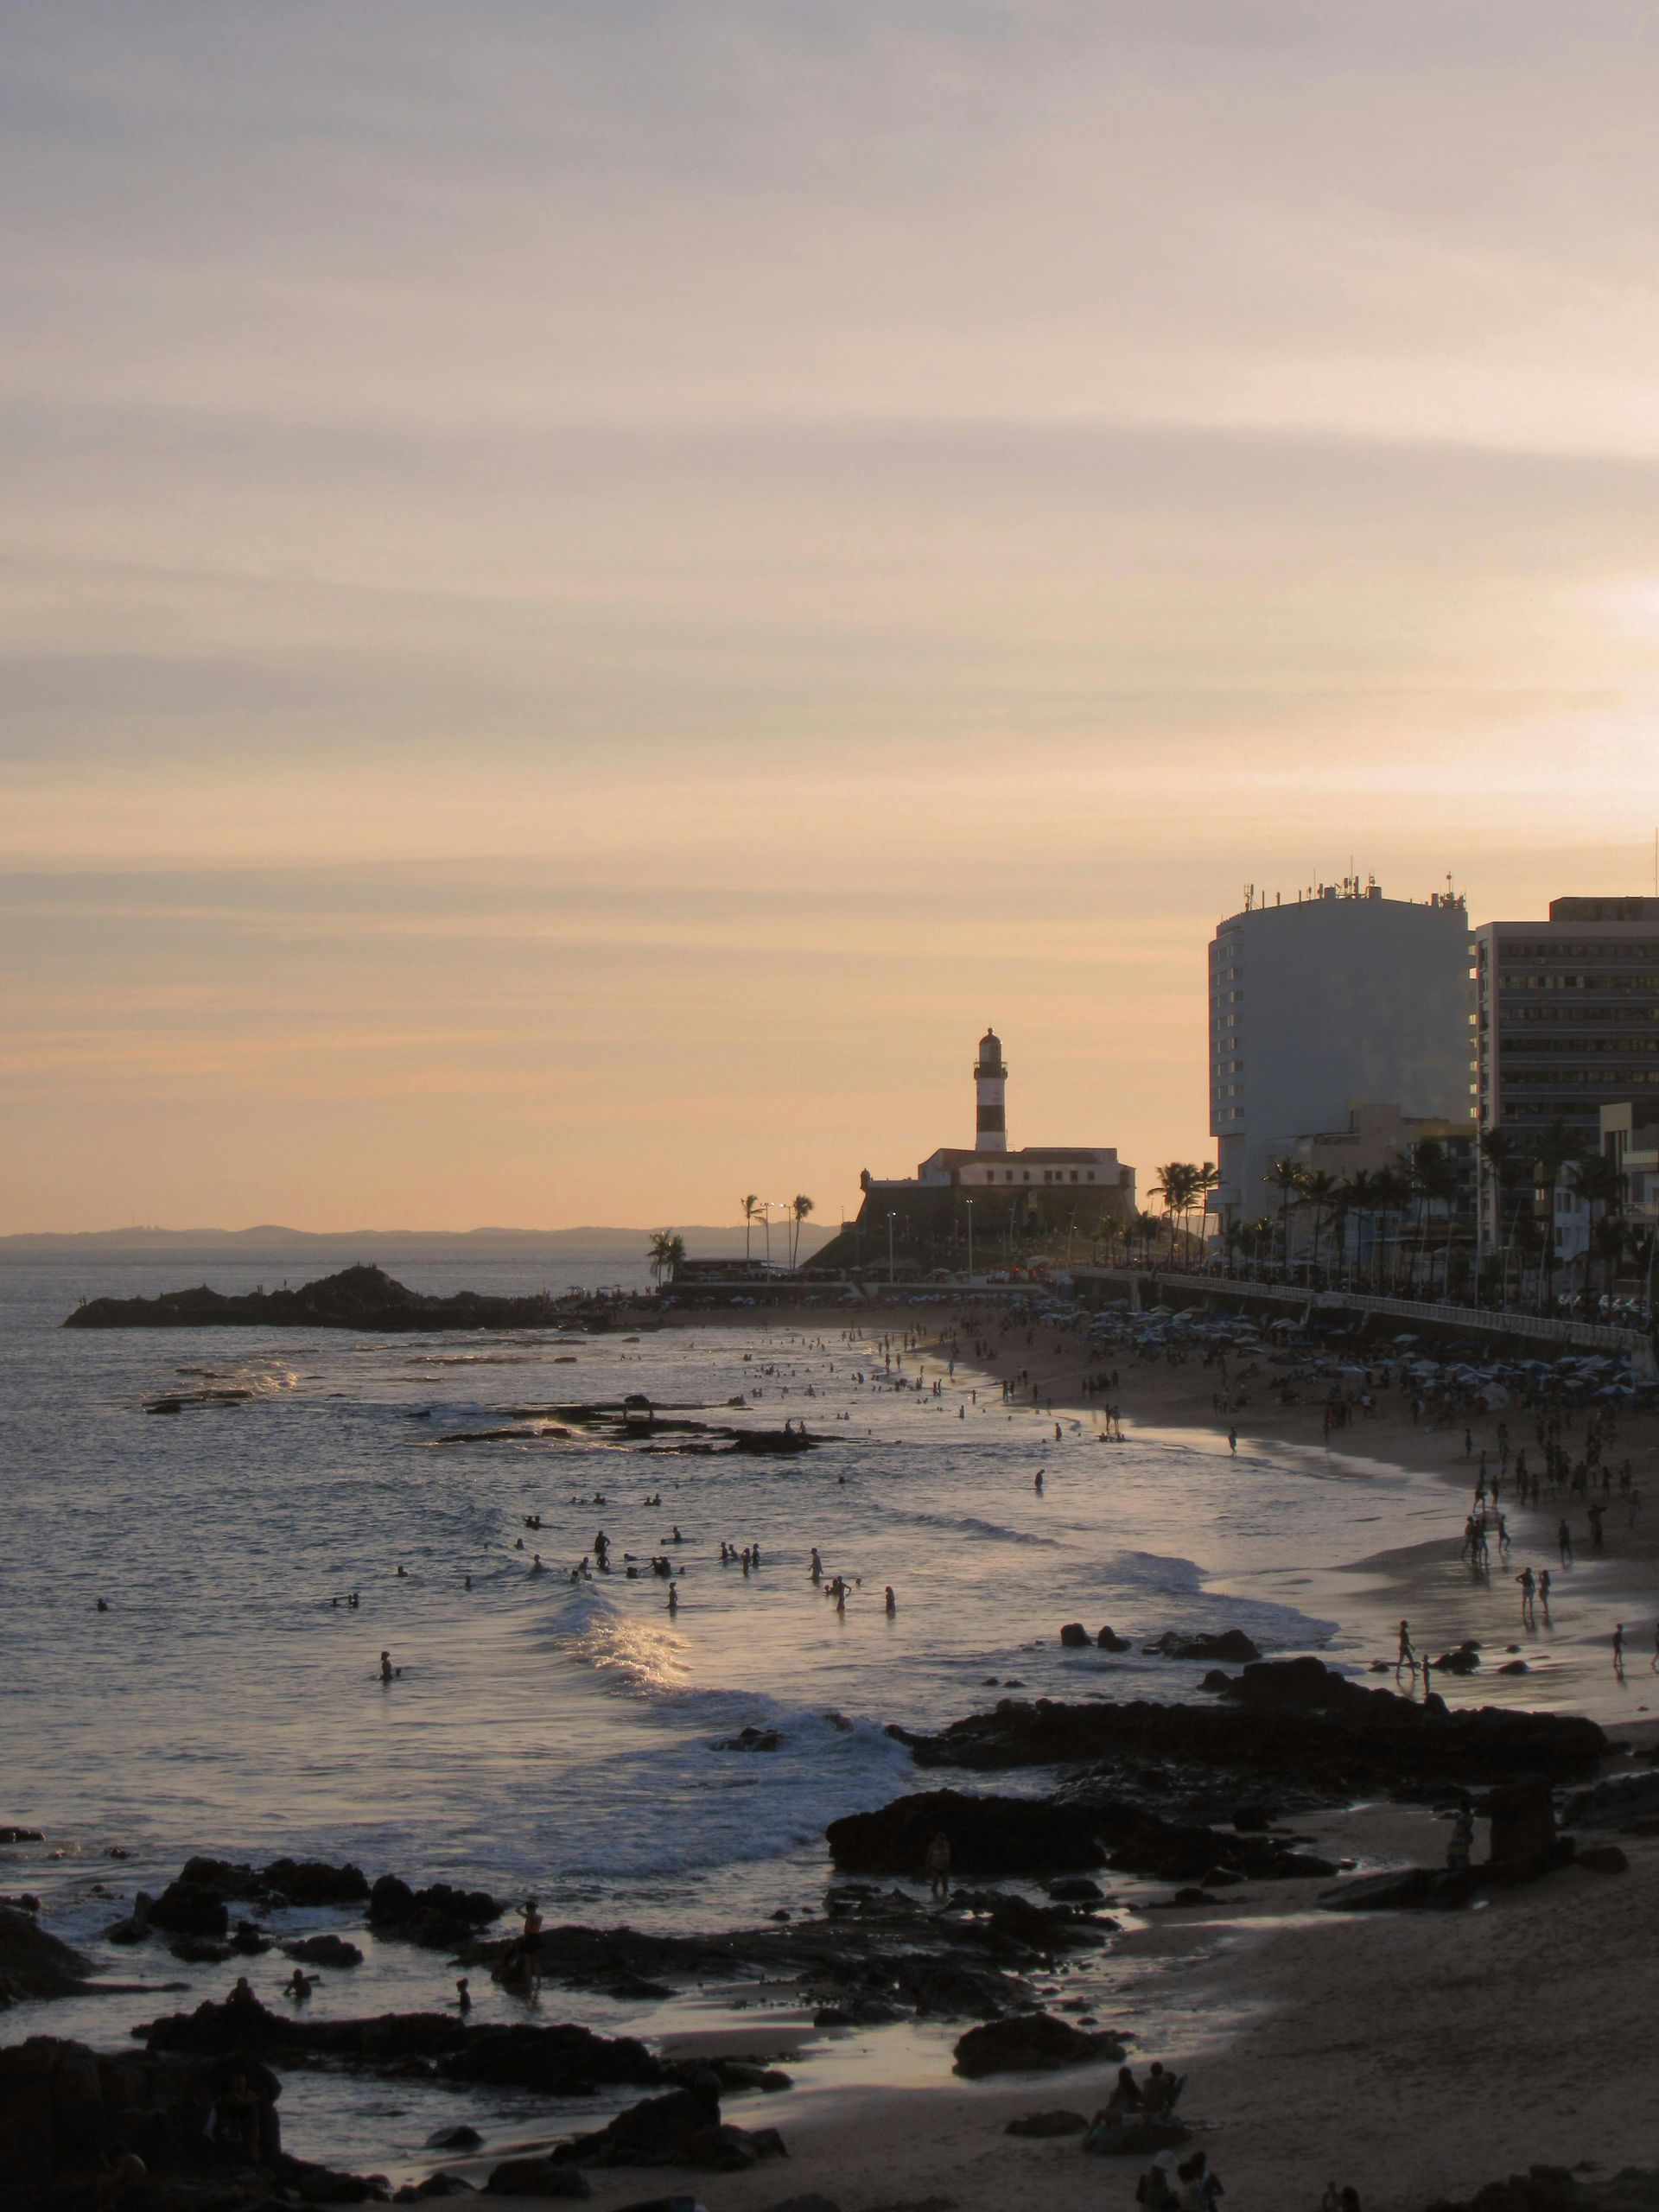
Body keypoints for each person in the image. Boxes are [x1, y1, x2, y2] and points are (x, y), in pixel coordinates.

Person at [925, 1829, 951, 1901]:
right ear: (937, 1839)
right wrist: (928, 1868)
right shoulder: (933, 1846)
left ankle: (945, 1899)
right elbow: (929, 1857)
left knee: (945, 1887)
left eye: (942, 1839)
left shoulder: (947, 1845)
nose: (941, 1841)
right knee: (934, 1886)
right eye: (939, 1839)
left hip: (945, 1869)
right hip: (935, 1868)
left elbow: (950, 1856)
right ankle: (934, 1899)